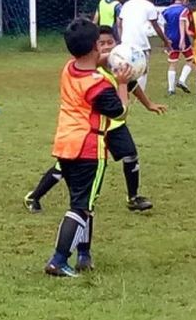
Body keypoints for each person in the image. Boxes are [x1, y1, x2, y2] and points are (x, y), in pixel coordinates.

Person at [24, 26, 166, 214]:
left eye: (110, 43)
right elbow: (120, 107)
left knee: (130, 155)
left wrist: (148, 104)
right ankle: (34, 195)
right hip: (91, 127)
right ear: (93, 47)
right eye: (102, 43)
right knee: (65, 168)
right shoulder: (94, 69)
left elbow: (132, 85)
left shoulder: (119, 64)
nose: (107, 47)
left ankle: (133, 198)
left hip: (113, 125)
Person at [43, 18, 131, 277]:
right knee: (81, 207)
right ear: (95, 45)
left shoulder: (69, 68)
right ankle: (58, 260)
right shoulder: (99, 86)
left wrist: (107, 57)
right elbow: (120, 113)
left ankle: (84, 255)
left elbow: (88, 63)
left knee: (84, 203)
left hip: (65, 145)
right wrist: (123, 84)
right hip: (89, 149)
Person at [118, 0, 172, 91]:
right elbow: (156, 26)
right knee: (143, 69)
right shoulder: (149, 6)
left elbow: (119, 23)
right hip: (140, 42)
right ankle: (140, 94)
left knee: (127, 68)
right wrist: (166, 41)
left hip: (126, 42)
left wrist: (121, 39)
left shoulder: (127, 4)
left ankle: (124, 91)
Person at [162, 0, 194, 95]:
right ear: (185, 0)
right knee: (190, 59)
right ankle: (182, 80)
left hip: (170, 39)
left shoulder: (166, 10)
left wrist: (165, 39)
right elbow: (183, 23)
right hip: (181, 38)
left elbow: (164, 25)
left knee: (172, 63)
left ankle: (171, 89)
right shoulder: (184, 10)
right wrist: (184, 39)